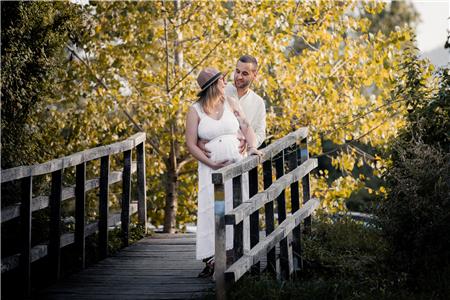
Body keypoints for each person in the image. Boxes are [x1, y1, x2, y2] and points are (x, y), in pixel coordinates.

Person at [185, 67, 262, 278]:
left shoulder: (231, 102)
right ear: (213, 85)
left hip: (236, 167)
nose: (225, 83)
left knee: (235, 207)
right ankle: (212, 258)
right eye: (222, 80)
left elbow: (246, 127)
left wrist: (253, 146)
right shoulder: (195, 110)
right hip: (210, 170)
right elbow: (190, 144)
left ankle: (235, 255)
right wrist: (210, 163)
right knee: (213, 211)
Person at [197, 55, 266, 156]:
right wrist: (198, 141)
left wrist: (249, 144)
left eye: (245, 73)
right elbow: (201, 117)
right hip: (215, 155)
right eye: (237, 71)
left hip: (243, 159)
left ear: (254, 75)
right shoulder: (220, 90)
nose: (239, 76)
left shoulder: (258, 102)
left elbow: (261, 132)